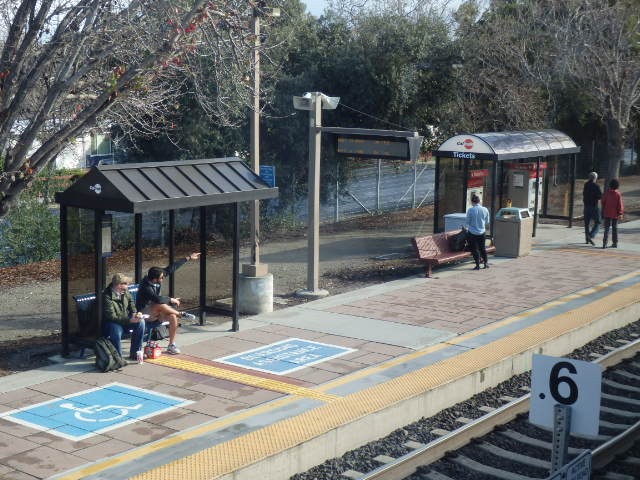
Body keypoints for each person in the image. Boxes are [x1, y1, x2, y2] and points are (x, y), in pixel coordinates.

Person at [136, 252, 200, 354]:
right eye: (161, 278)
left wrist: (188, 258)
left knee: (172, 317)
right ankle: (181, 314)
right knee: (159, 304)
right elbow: (157, 299)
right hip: (144, 314)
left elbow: (171, 268)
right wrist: (171, 299)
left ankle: (171, 345)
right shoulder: (145, 287)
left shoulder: (156, 277)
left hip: (158, 312)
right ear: (154, 279)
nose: (163, 278)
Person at [102, 273, 145, 361]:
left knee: (141, 322)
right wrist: (130, 320)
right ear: (119, 285)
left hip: (125, 320)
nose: (128, 285)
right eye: (126, 283)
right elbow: (111, 316)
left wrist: (134, 313)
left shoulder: (125, 291)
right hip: (112, 323)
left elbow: (131, 302)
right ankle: (118, 358)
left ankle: (136, 353)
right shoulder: (107, 296)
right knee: (115, 329)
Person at [465, 194, 490, 270]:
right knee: (482, 248)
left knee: (475, 249)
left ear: (472, 202)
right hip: (482, 232)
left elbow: (467, 222)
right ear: (479, 201)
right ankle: (485, 263)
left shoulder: (470, 210)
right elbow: (487, 221)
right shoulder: (485, 209)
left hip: (472, 233)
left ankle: (477, 265)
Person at [601, 178, 624, 249]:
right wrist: (620, 212)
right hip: (615, 214)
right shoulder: (618, 194)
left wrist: (604, 209)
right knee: (615, 228)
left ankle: (604, 243)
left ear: (610, 185)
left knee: (606, 228)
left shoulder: (607, 193)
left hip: (607, 212)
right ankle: (615, 242)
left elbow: (603, 201)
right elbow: (620, 204)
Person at [582, 171, 602, 246]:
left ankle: (587, 239)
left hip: (586, 206)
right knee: (598, 222)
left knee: (587, 224)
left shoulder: (586, 185)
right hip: (594, 206)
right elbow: (600, 196)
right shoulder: (596, 186)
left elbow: (584, 193)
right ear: (595, 178)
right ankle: (591, 235)